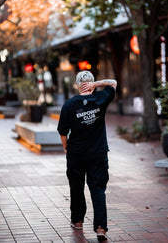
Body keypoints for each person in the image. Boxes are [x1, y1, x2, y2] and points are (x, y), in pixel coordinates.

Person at [57, 70, 117, 241]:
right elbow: (113, 83)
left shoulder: (69, 105)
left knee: (76, 188)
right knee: (98, 190)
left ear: (77, 85)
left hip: (76, 154)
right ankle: (100, 228)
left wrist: (66, 148)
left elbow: (62, 131)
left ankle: (77, 221)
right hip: (98, 153)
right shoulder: (100, 99)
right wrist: (97, 84)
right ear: (91, 83)